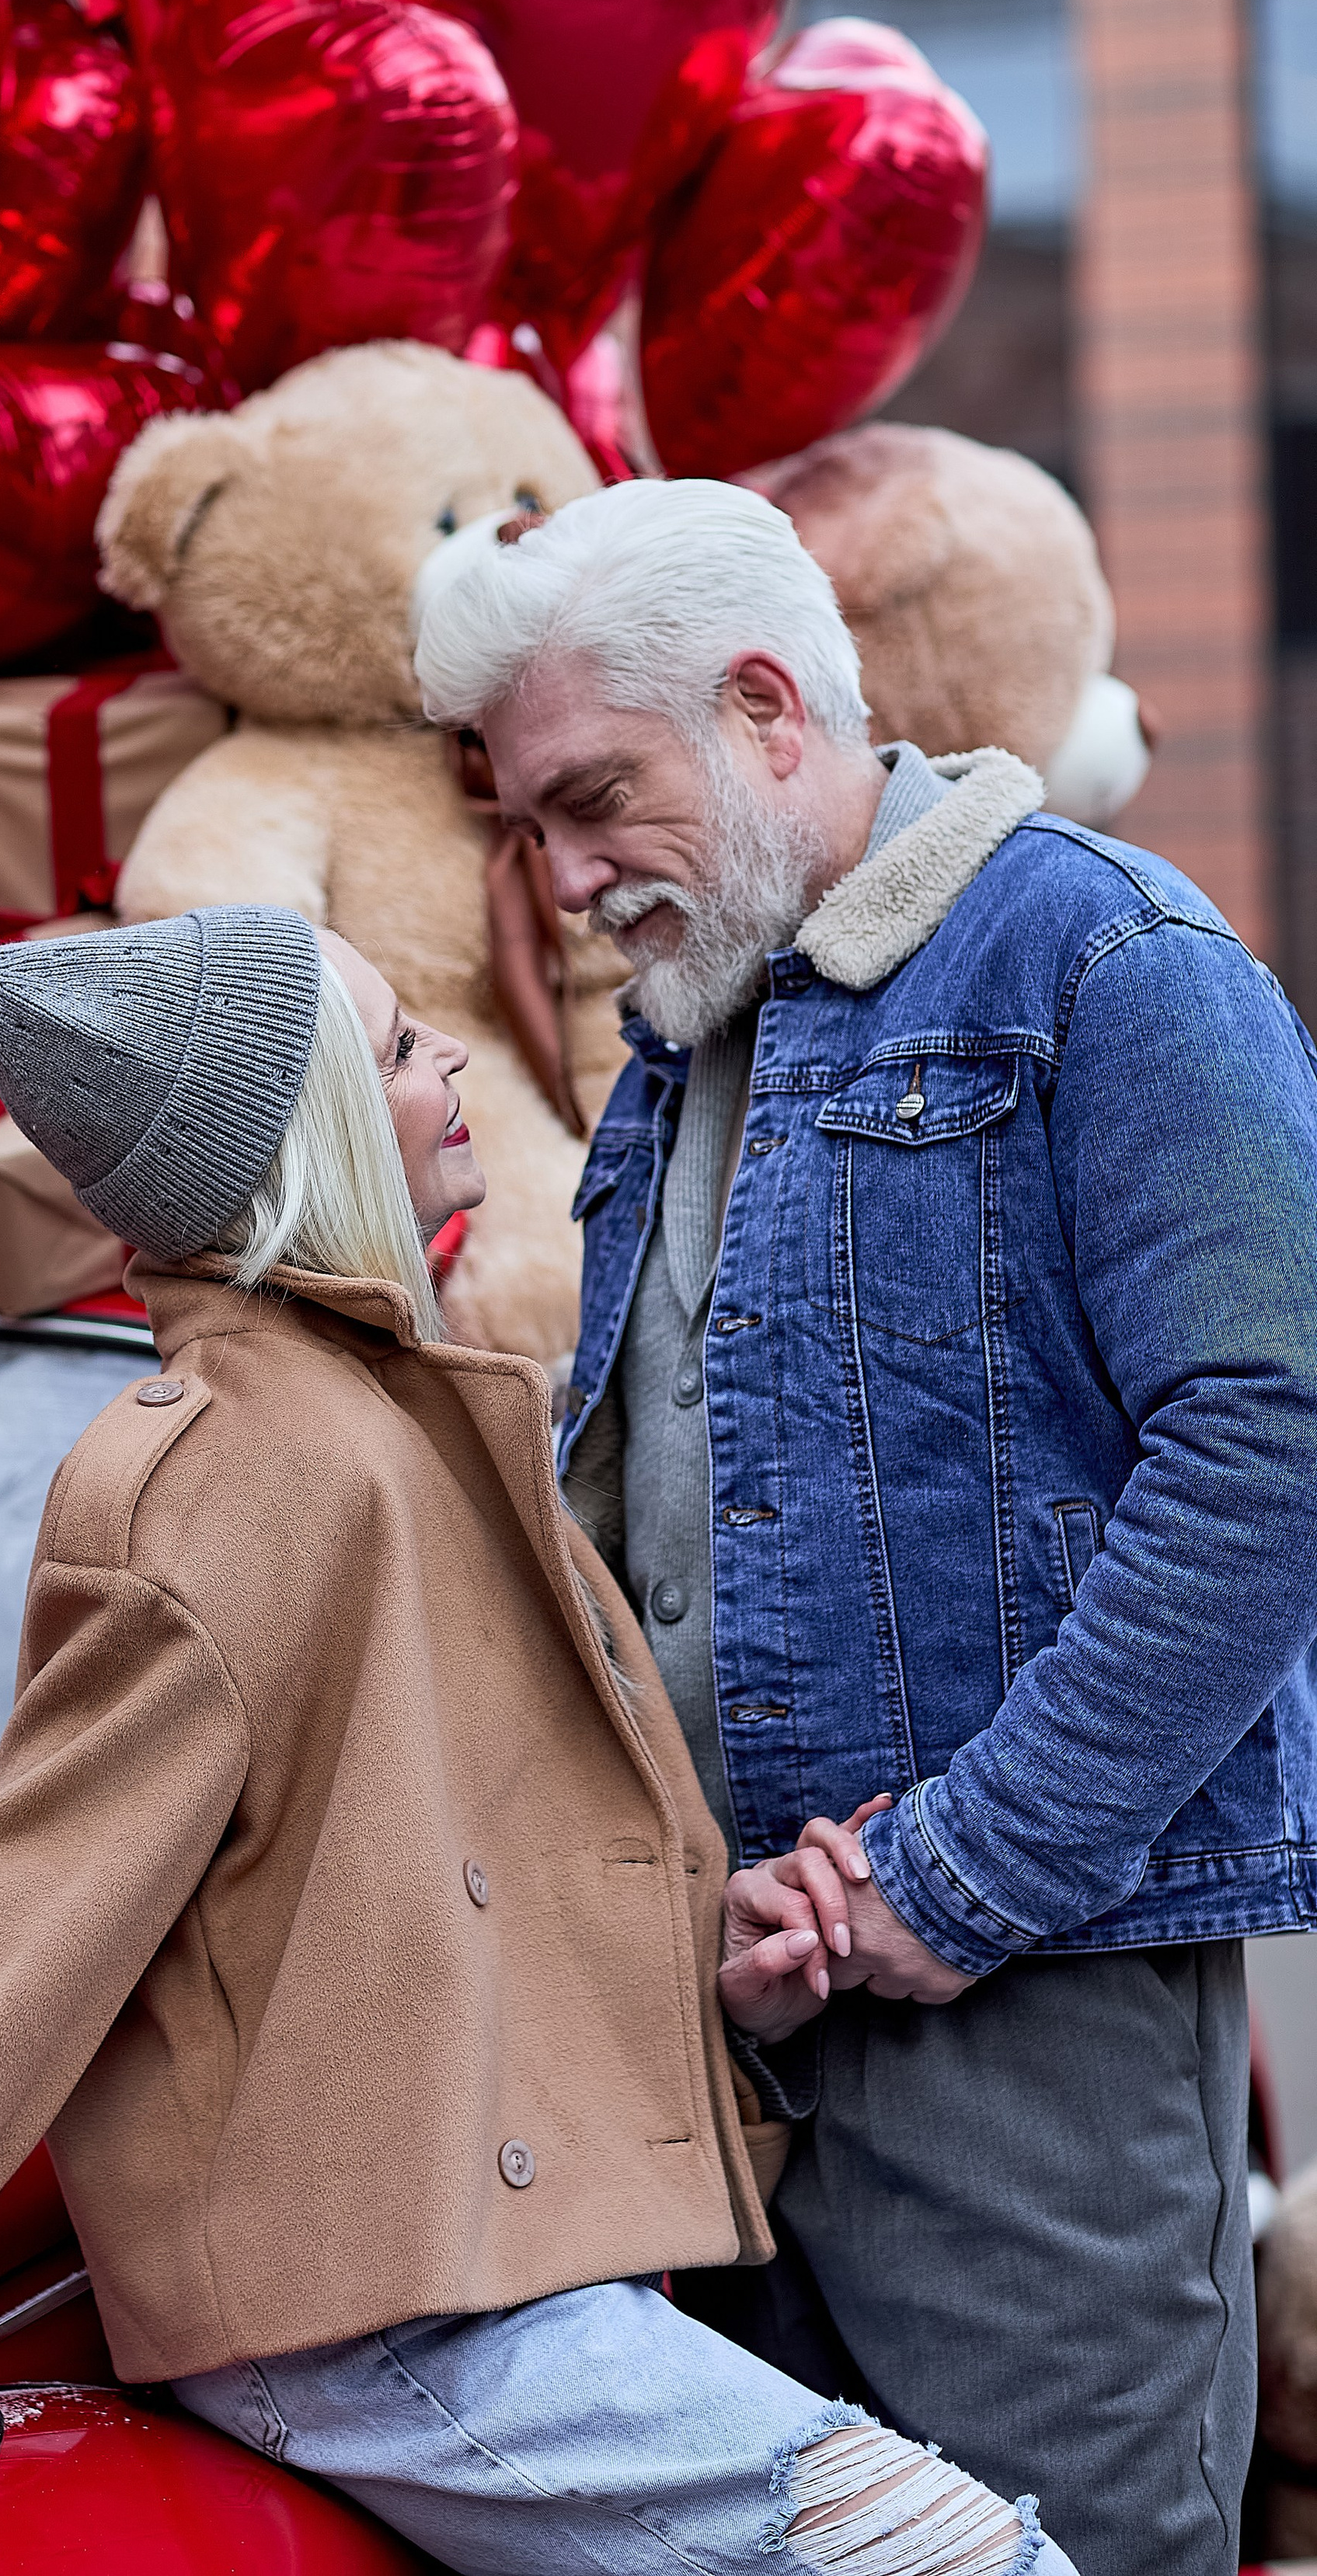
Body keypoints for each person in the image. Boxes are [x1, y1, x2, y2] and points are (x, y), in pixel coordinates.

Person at [0, 907, 1073, 2576]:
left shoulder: (371, 1417)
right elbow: (19, 1926)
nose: (448, 1063)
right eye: (399, 1049)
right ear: (314, 1132)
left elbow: (420, 1876)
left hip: (463, 2264)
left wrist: (712, 1964)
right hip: (377, 2311)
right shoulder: (230, 1470)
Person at [413, 476, 1317, 2576]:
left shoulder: (1106, 956)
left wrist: (957, 1875)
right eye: (527, 829)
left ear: (764, 706)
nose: (560, 878)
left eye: (590, 800)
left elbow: (1273, 1445)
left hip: (1026, 2017)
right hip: (739, 2032)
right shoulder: (687, 1034)